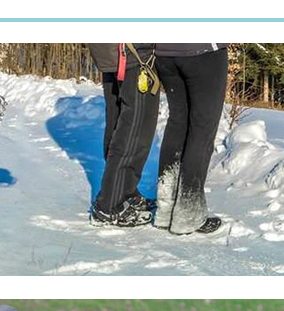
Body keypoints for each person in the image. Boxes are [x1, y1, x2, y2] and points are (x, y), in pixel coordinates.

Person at [152, 43, 228, 235]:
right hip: (203, 51)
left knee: (177, 123)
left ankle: (165, 208)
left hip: (164, 53)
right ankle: (188, 214)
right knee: (202, 129)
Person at [89, 43, 159, 228]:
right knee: (136, 125)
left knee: (119, 120)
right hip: (134, 53)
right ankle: (111, 204)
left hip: (113, 54)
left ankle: (124, 191)